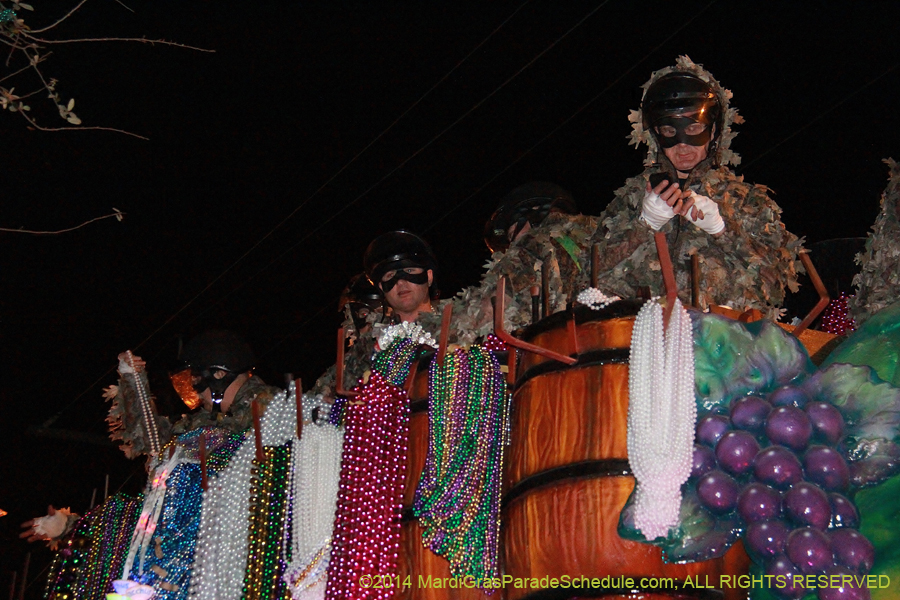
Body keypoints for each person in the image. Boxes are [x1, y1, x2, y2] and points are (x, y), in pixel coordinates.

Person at [589, 56, 804, 318]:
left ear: (713, 131)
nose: (682, 146)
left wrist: (724, 231)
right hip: (647, 338)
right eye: (670, 132)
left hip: (724, 341)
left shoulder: (749, 202)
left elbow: (776, 282)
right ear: (657, 136)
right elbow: (590, 280)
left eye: (694, 128)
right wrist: (642, 226)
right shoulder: (631, 198)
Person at [452, 182, 594, 344]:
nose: (512, 244)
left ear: (534, 217)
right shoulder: (593, 241)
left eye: (513, 233)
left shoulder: (530, 250)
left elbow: (490, 310)